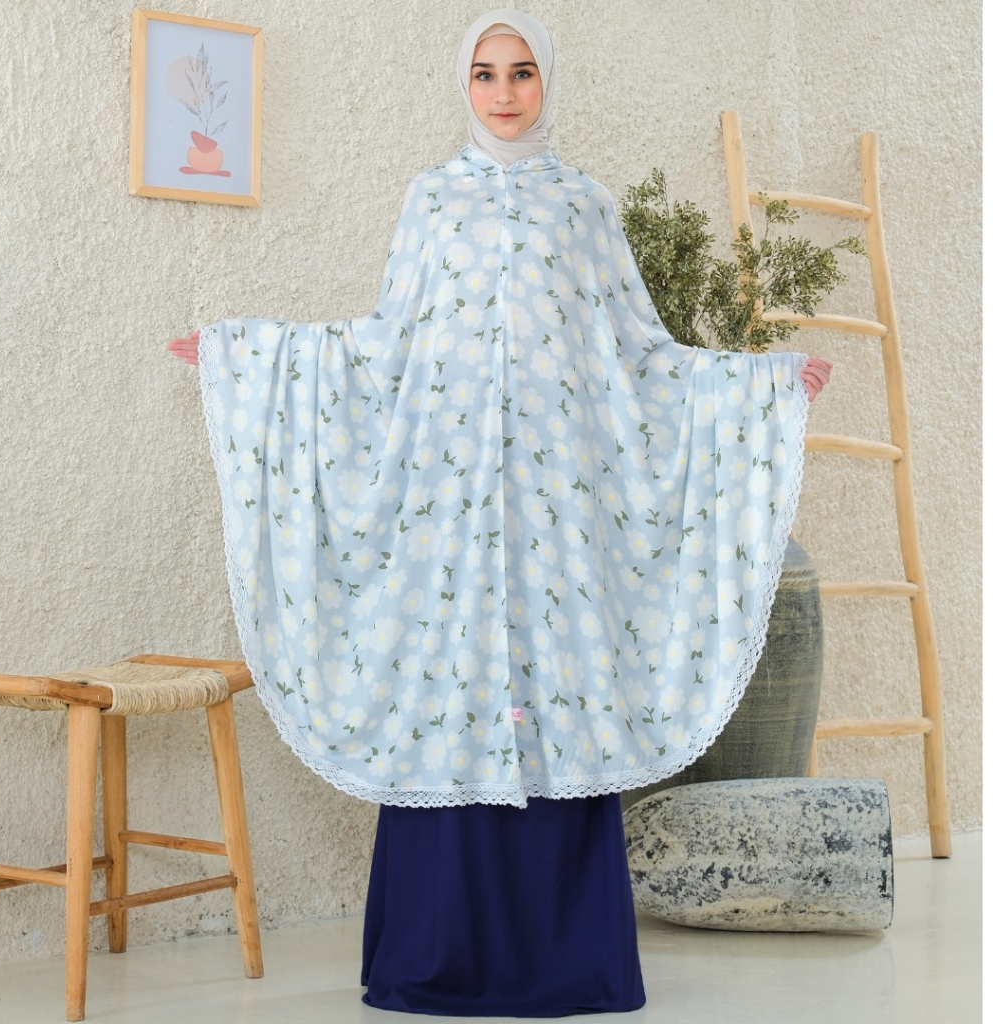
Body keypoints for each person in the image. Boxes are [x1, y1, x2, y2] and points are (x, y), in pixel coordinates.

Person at [170, 9, 832, 1016]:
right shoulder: (431, 200)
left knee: (555, 692)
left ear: (546, 81)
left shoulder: (584, 207)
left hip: (559, 517)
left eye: (522, 72)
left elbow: (642, 356)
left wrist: (762, 386)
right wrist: (248, 360)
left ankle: (567, 962)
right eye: (485, 73)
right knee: (451, 690)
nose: (505, 92)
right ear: (464, 84)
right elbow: (384, 345)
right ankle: (434, 955)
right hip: (449, 510)